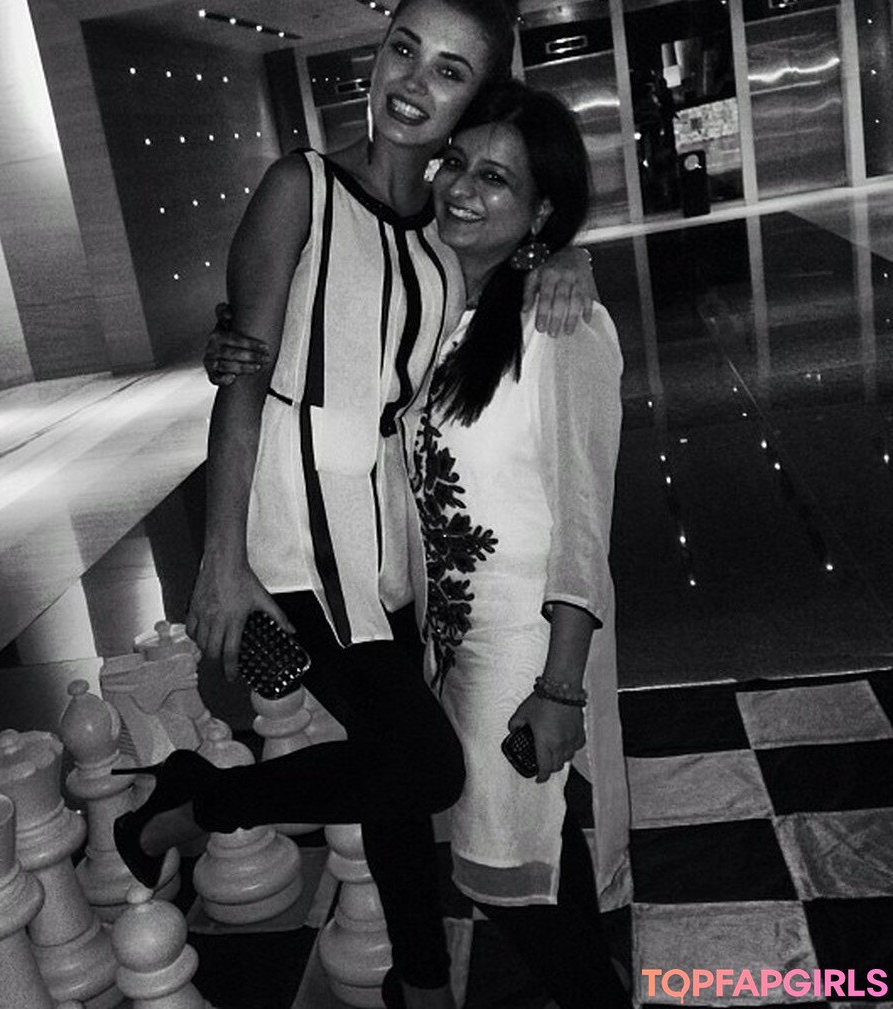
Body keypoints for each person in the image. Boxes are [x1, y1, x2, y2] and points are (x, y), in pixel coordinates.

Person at [115, 3, 596, 1008]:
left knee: (390, 770)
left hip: (390, 554)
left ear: (475, 99)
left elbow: (510, 255)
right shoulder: (302, 187)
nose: (414, 82)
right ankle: (196, 803)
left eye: (451, 71)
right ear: (378, 57)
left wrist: (568, 255)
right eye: (404, 50)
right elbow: (244, 376)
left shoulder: (440, 239)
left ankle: (417, 980)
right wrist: (221, 559)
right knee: (424, 764)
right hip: (286, 544)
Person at [409, 79, 631, 1007]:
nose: (462, 188)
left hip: (527, 651)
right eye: (457, 162)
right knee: (532, 874)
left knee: (515, 869)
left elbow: (585, 525)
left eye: (496, 178)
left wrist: (560, 686)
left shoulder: (562, 324)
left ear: (541, 209)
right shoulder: (435, 315)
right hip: (453, 645)